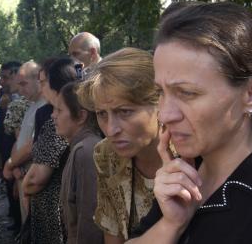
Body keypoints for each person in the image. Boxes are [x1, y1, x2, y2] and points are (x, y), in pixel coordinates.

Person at [127, 2, 252, 244]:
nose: (164, 115)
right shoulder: (187, 168)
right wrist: (171, 225)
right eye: (160, 92)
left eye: (187, 93)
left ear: (248, 94)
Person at [76, 48, 162, 244]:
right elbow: (113, 231)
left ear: (160, 103)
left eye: (124, 112)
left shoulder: (190, 156)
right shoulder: (106, 153)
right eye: (101, 114)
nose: (111, 129)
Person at [22, 57, 77, 244]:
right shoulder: (55, 114)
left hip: (54, 212)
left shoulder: (58, 122)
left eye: (43, 82)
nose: (41, 87)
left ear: (57, 85)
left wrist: (25, 188)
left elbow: (36, 179)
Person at [52, 82, 104, 244]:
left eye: (59, 110)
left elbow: (90, 221)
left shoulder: (86, 151)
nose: (53, 115)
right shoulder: (79, 147)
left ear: (81, 116)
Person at [3, 60, 46, 224]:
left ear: (38, 79)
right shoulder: (33, 105)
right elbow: (20, 140)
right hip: (23, 173)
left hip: (34, 177)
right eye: (18, 84)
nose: (19, 89)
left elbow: (32, 146)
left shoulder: (45, 107)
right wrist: (15, 165)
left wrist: (11, 164)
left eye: (24, 84)